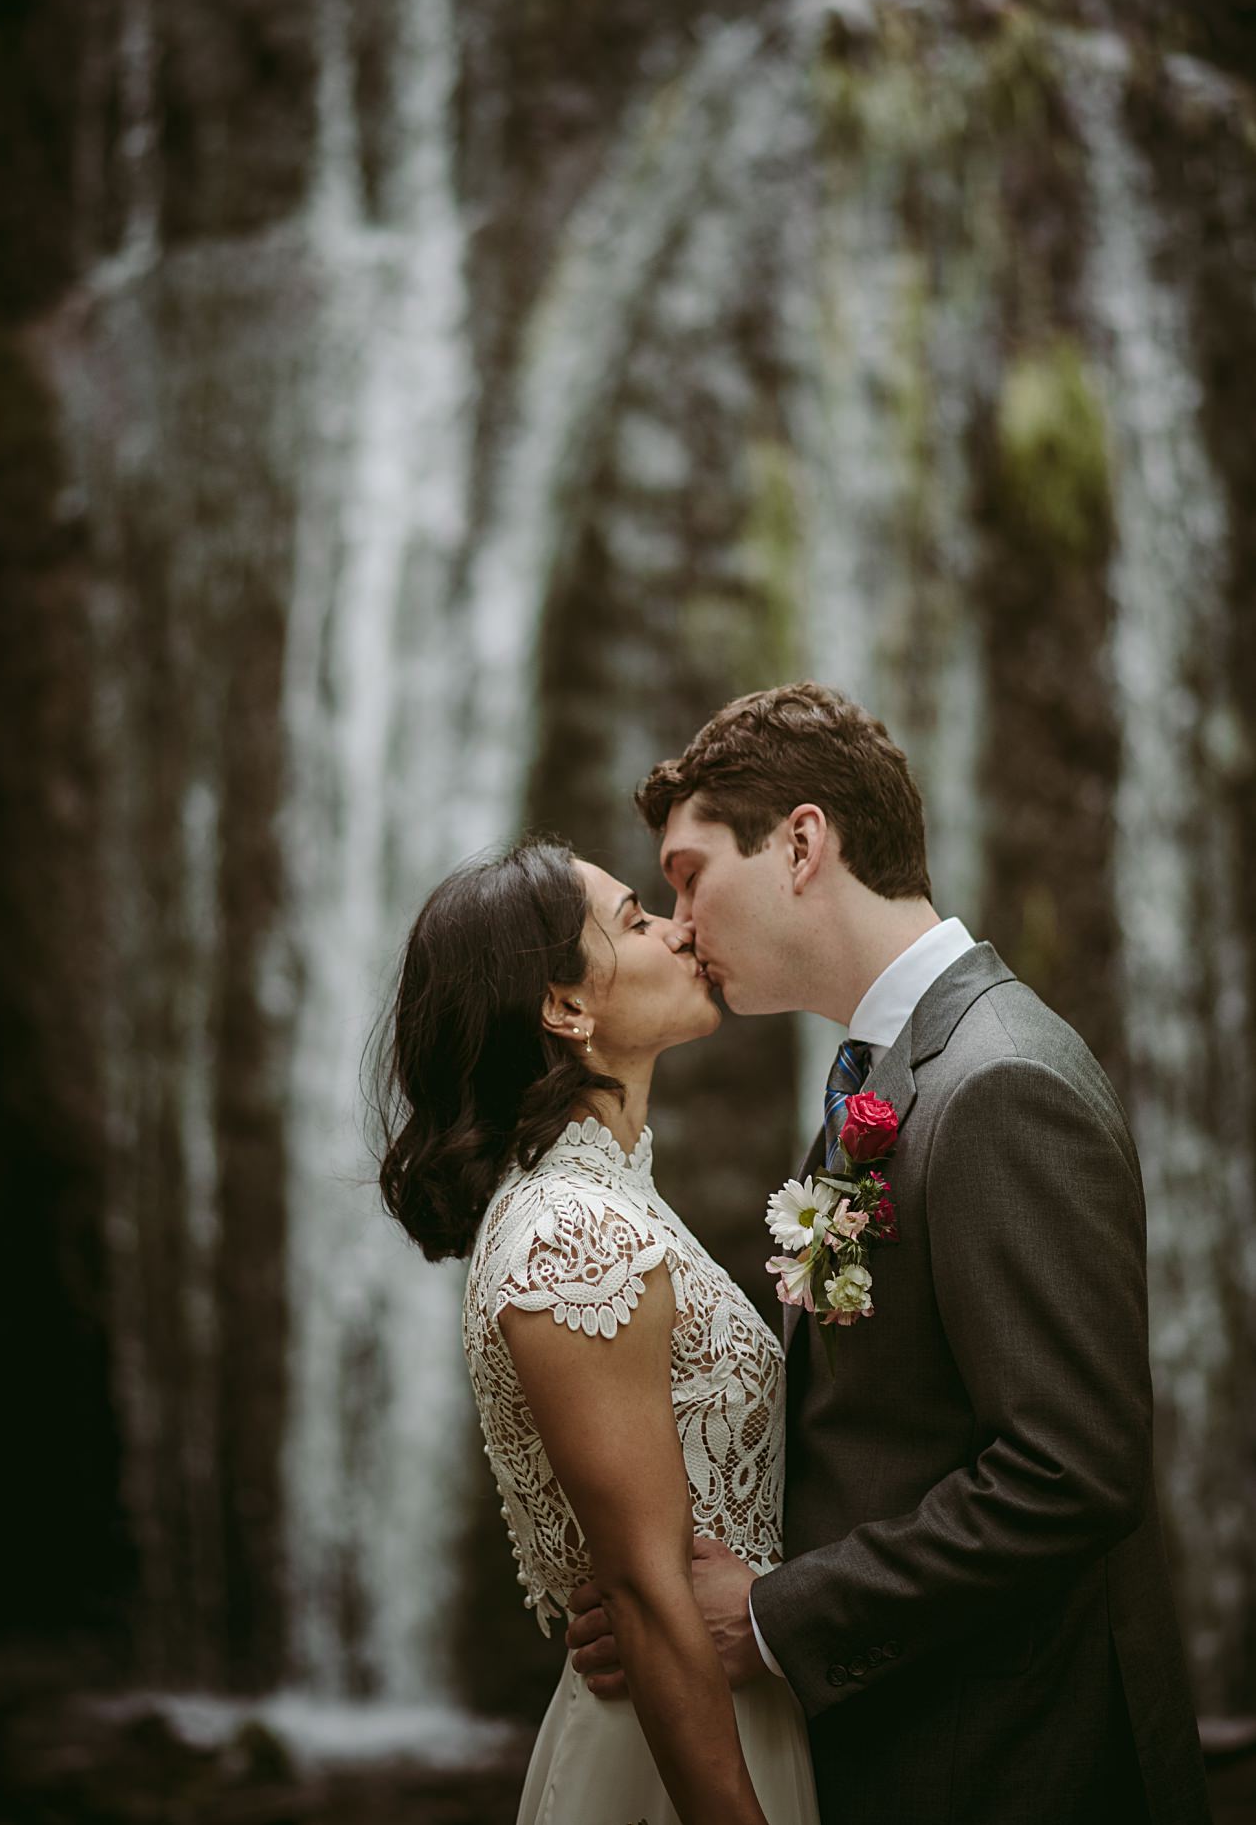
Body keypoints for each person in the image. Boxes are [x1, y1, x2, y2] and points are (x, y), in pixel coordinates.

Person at [565, 682, 1212, 1825]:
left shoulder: (998, 1082)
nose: (680, 924)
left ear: (802, 844)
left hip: (1011, 1769)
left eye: (688, 874)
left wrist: (770, 1620)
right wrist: (661, 1598)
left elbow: (1070, 1471)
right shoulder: (893, 1073)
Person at [372, 838, 820, 1825]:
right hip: (678, 1754)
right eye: (634, 919)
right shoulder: (572, 1235)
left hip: (718, 1705)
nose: (679, 927)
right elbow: (647, 1594)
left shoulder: (599, 1200)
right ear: (564, 1008)